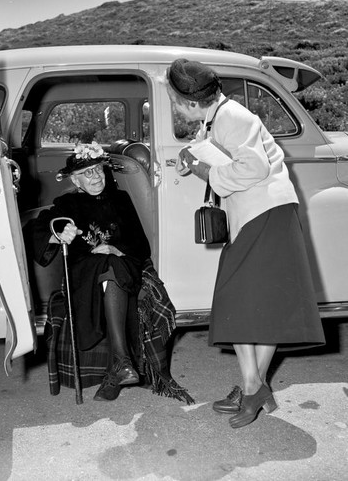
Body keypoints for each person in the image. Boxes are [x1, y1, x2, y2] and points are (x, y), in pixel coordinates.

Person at [165, 58, 325, 428]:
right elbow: (216, 148)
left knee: (237, 298)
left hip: (266, 214)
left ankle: (253, 386)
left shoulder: (233, 117)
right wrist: (193, 155)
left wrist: (203, 168)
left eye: (175, 101)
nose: (174, 107)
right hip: (261, 214)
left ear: (191, 102)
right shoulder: (217, 116)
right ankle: (254, 387)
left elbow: (252, 168)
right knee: (256, 304)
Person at [32, 142, 151, 401]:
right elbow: (39, 229)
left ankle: (119, 366)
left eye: (98, 169)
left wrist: (115, 248)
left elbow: (141, 245)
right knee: (106, 267)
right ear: (76, 179)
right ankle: (120, 364)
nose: (96, 176)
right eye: (88, 173)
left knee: (112, 265)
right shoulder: (67, 204)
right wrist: (58, 235)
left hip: (122, 264)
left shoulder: (121, 199)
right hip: (84, 273)